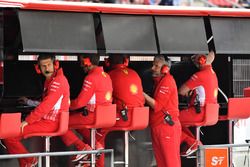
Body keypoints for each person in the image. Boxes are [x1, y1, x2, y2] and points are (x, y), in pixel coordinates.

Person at [3, 54, 70, 167]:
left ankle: (30, 160)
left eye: (48, 65)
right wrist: (29, 102)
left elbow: (45, 106)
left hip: (50, 123)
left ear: (55, 65)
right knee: (11, 135)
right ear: (38, 68)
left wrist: (28, 120)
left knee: (9, 135)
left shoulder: (57, 82)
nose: (46, 69)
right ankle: (26, 163)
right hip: (48, 121)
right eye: (43, 66)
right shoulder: (51, 81)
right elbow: (44, 103)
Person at [59, 54, 113, 164]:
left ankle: (82, 148)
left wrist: (65, 105)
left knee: (60, 122)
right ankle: (95, 146)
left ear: (87, 62)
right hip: (107, 117)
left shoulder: (91, 77)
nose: (80, 65)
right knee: (95, 141)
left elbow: (80, 103)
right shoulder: (106, 75)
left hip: (94, 117)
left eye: (81, 62)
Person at [143, 55, 181, 167]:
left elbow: (157, 106)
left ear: (165, 68)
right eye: (153, 64)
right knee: (162, 163)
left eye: (156, 65)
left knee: (171, 163)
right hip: (159, 126)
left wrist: (142, 94)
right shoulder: (159, 81)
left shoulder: (167, 81)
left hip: (166, 127)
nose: (153, 68)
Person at [179, 51, 218, 156]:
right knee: (178, 122)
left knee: (171, 120)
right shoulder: (213, 74)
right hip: (210, 114)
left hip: (199, 112)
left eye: (194, 58)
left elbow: (181, 91)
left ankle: (192, 142)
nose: (194, 61)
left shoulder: (199, 75)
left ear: (202, 60)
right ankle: (191, 142)